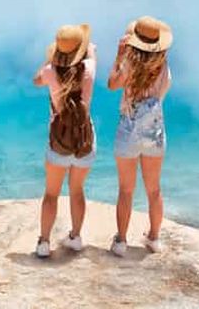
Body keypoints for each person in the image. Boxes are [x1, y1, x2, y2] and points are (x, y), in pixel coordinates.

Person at [107, 16, 173, 256]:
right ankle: (154, 238)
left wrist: (119, 55)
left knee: (126, 190)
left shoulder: (129, 65)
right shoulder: (164, 67)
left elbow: (112, 84)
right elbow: (163, 91)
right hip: (154, 131)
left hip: (128, 129)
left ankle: (121, 241)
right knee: (154, 189)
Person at [32, 24, 97, 258]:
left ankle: (44, 242)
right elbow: (91, 55)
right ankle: (76, 237)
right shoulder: (90, 67)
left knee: (51, 194)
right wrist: (89, 51)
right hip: (83, 139)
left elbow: (36, 80)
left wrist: (50, 60)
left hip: (58, 140)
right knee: (77, 190)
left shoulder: (50, 71)